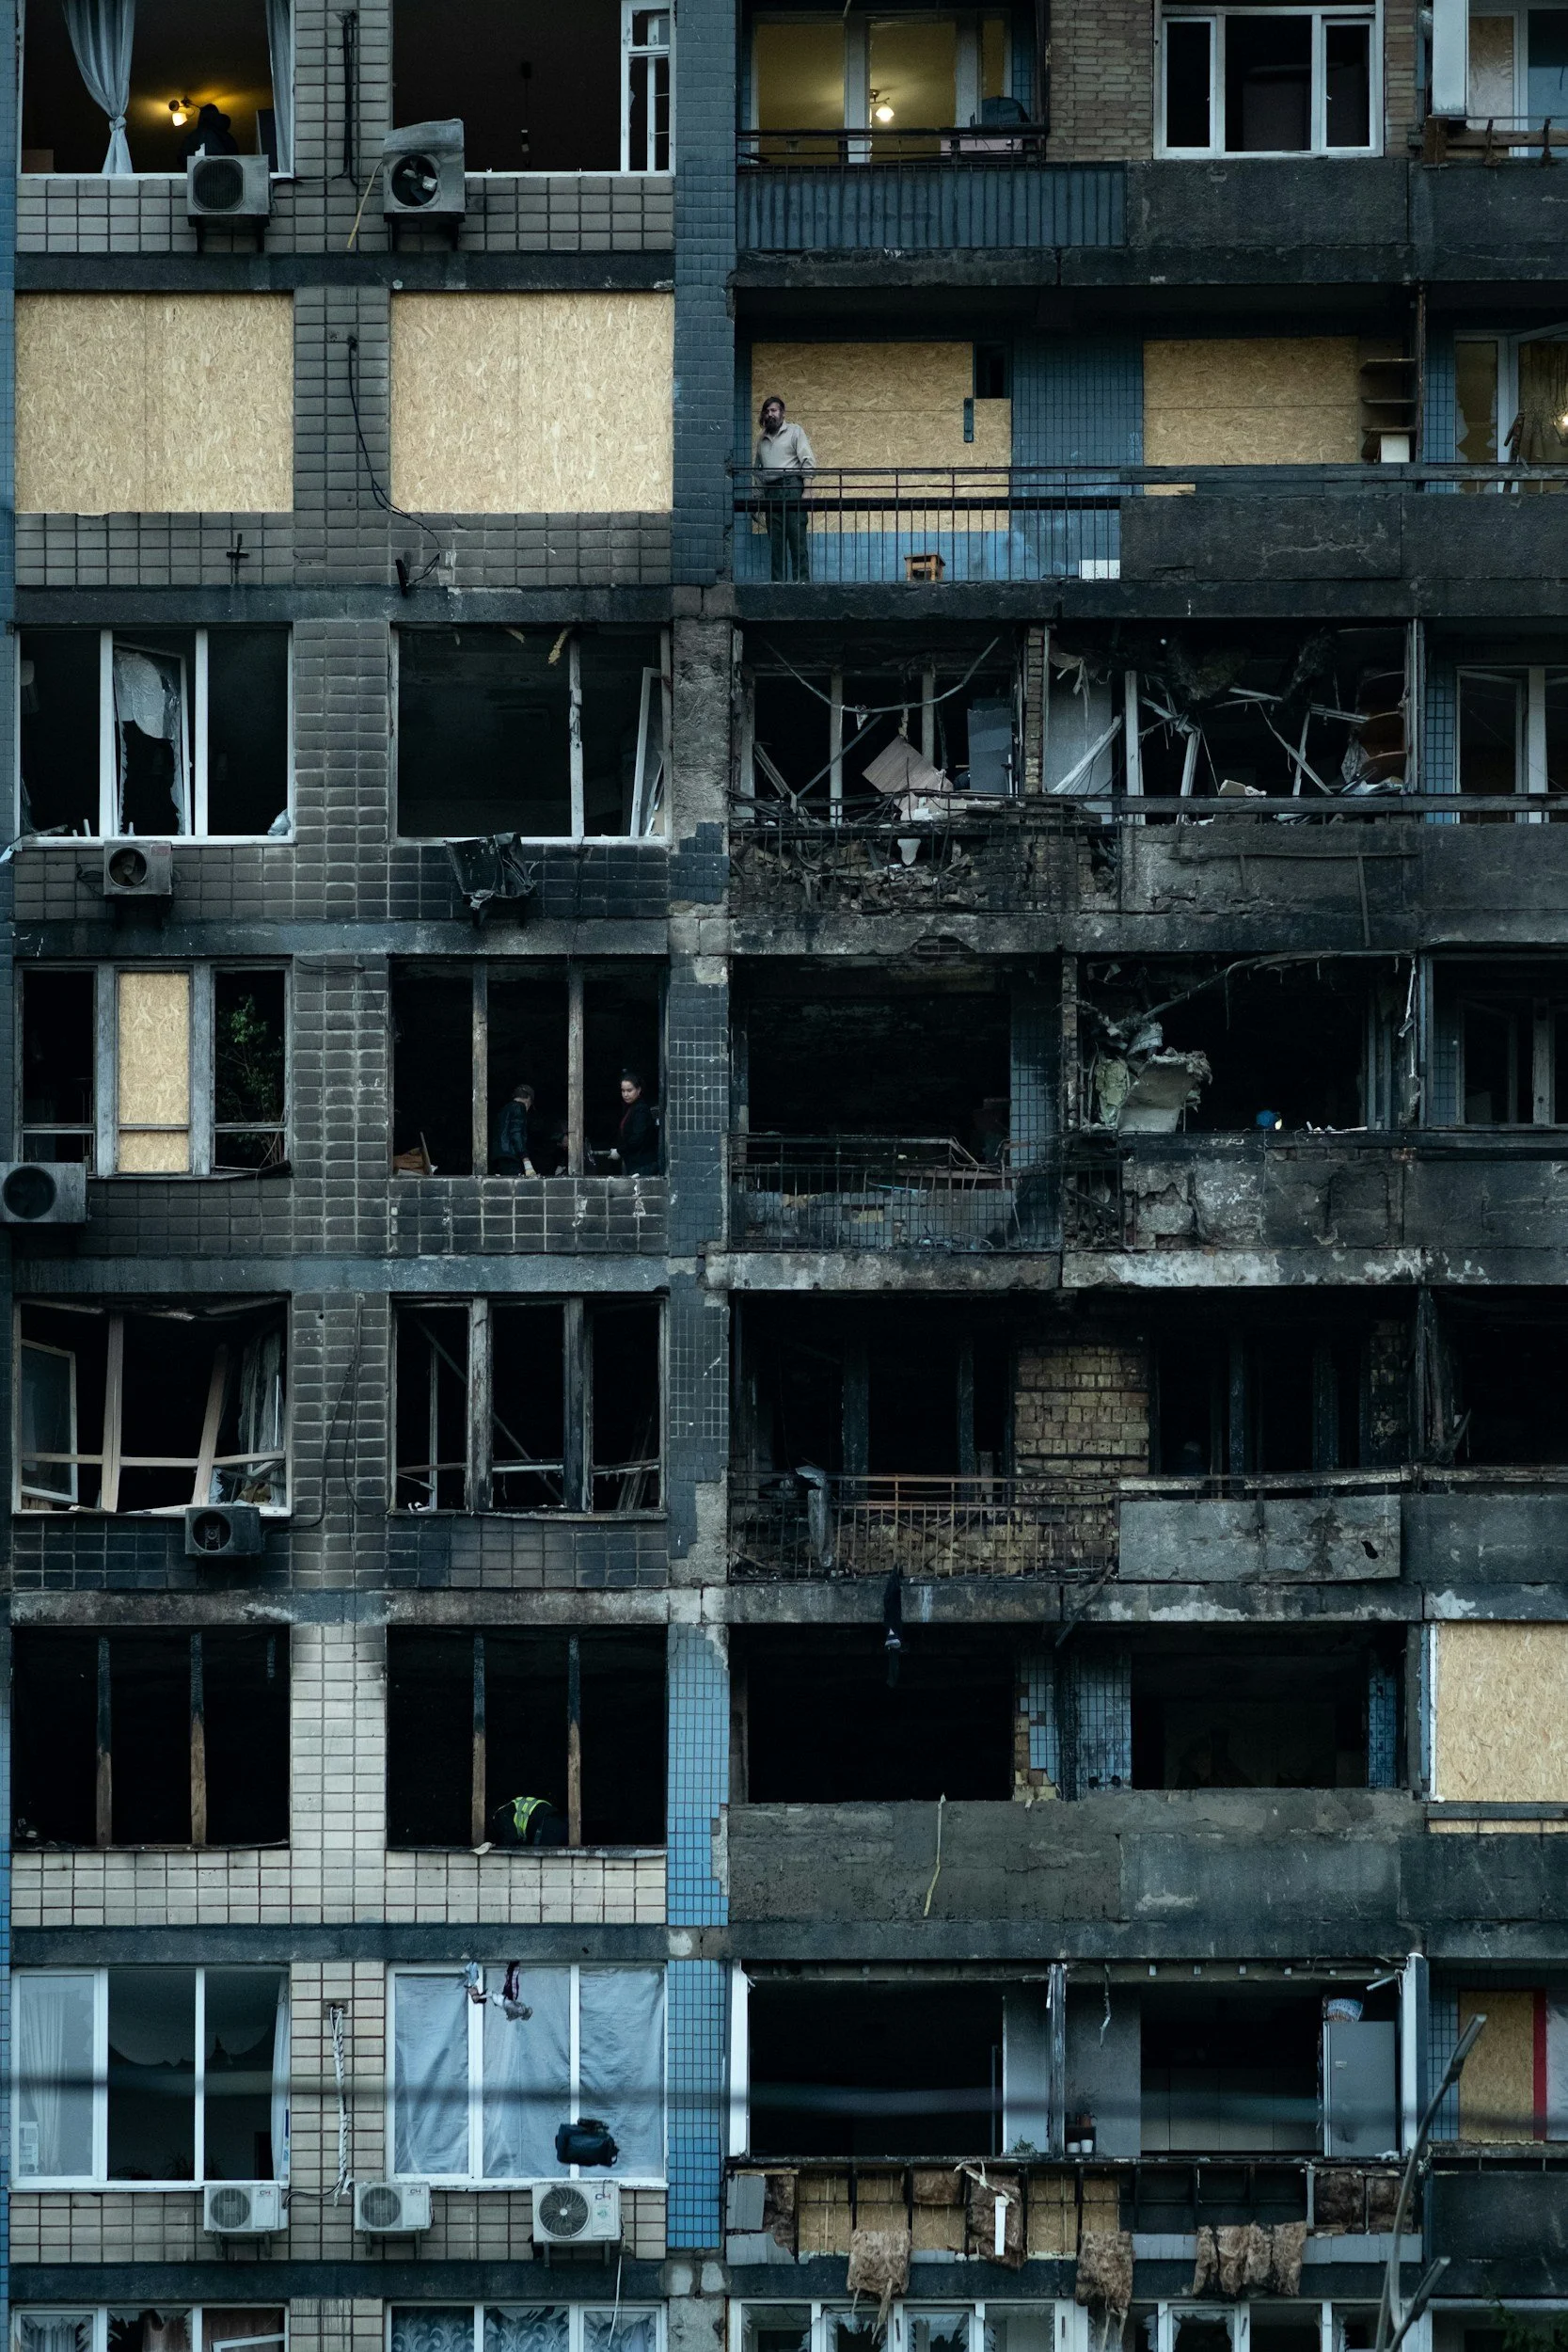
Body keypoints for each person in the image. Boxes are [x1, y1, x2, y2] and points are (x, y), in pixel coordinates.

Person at [754, 394, 816, 582]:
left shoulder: (795, 431)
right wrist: (758, 499)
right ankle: (777, 586)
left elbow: (807, 460)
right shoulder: (761, 439)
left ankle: (802, 584)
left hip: (792, 488)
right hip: (771, 493)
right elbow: (758, 471)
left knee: (797, 540)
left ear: (782, 413)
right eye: (767, 411)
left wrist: (807, 490)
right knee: (776, 544)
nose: (770, 414)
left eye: (774, 410)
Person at [615, 1071, 660, 1175]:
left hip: (642, 1164)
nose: (625, 1094)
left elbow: (637, 1138)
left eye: (629, 1090)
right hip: (635, 1164)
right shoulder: (630, 1108)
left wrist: (620, 1151)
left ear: (638, 1090)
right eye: (623, 1091)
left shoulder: (641, 1110)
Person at [494, 1082, 537, 1176]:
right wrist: (526, 1160)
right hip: (512, 1157)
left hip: (501, 1158)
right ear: (529, 1099)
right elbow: (516, 1134)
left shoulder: (504, 1109)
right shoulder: (519, 1107)